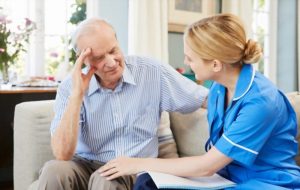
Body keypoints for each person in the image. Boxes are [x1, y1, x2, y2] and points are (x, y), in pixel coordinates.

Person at [99, 13, 300, 189]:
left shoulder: (261, 102)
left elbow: (207, 166)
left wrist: (137, 163)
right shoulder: (218, 90)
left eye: (190, 58)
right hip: (226, 177)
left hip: (267, 182)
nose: (186, 62)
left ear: (215, 64)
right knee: (148, 183)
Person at [37, 18, 208, 190]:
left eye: (113, 51)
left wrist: (234, 102)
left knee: (106, 179)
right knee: (54, 170)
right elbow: (62, 154)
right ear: (83, 60)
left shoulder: (151, 71)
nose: (111, 62)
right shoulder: (69, 87)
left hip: (132, 168)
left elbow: (203, 98)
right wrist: (77, 94)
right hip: (85, 165)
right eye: (98, 58)